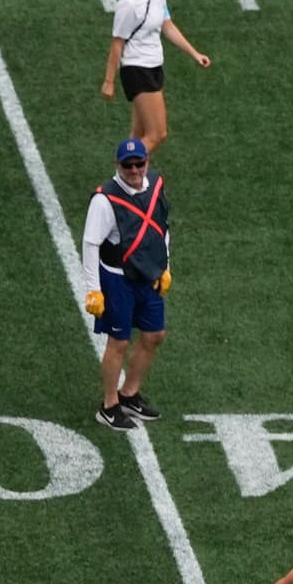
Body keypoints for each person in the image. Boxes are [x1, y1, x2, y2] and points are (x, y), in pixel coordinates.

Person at [82, 140, 174, 430]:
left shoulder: (156, 185)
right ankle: (109, 405)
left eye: (139, 163)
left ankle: (129, 393)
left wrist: (165, 267)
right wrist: (93, 289)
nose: (134, 170)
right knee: (118, 341)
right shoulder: (104, 200)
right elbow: (90, 243)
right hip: (117, 279)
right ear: (117, 166)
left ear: (146, 162)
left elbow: (162, 228)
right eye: (127, 165)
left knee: (154, 334)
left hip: (147, 276)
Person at [101, 0, 209, 156]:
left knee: (138, 134)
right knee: (157, 134)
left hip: (153, 67)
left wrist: (194, 53)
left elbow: (168, 26)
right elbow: (117, 43)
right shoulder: (129, 3)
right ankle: (123, 176)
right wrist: (109, 81)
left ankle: (133, 183)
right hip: (137, 69)